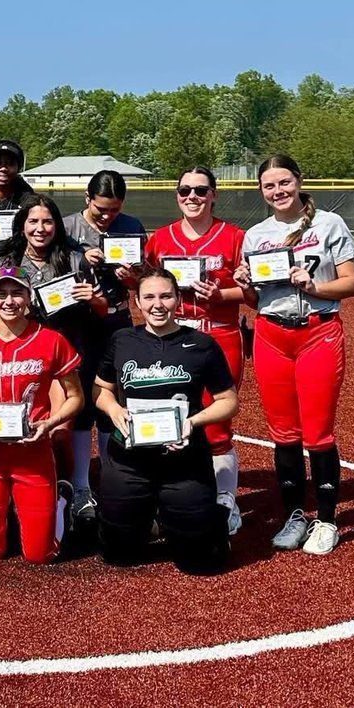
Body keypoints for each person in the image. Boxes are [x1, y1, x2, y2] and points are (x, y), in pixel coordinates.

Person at [234, 155, 354, 556]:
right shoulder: (256, 234)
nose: (278, 191)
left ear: (298, 181)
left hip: (317, 332)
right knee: (283, 433)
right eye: (270, 186)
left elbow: (352, 284)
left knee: (318, 432)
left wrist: (313, 286)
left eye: (284, 182)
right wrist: (244, 283)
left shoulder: (329, 224)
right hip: (272, 335)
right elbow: (256, 300)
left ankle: (325, 519)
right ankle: (294, 514)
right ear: (261, 191)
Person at [94, 267, 238, 574]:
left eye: (165, 296)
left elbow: (229, 401)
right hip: (129, 461)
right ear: (137, 301)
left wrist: (193, 422)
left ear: (177, 299)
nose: (157, 304)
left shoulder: (201, 344)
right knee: (118, 555)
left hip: (184, 462)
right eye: (149, 297)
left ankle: (205, 522)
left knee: (201, 563)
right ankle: (151, 518)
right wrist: (114, 410)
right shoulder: (122, 340)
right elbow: (101, 389)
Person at [143, 166, 248, 535]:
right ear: (177, 195)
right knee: (164, 419)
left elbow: (253, 294)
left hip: (218, 334)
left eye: (201, 191)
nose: (192, 197)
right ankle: (168, 500)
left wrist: (221, 294)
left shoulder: (234, 237)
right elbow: (146, 287)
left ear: (214, 194)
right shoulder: (160, 238)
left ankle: (225, 502)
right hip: (169, 338)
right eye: (185, 190)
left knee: (217, 424)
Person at [0, 267, 83, 563]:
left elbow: (76, 397)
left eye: (17, 293)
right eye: (1, 294)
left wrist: (50, 423)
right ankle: (15, 519)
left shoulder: (51, 340)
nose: (9, 301)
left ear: (29, 297)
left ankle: (59, 502)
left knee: (40, 555)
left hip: (33, 454)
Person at [0, 194, 106, 512]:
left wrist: (93, 297)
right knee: (20, 424)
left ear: (57, 225)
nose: (40, 228)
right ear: (22, 225)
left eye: (47, 221)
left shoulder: (74, 259)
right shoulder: (8, 263)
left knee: (60, 427)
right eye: (33, 221)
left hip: (64, 356)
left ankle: (69, 489)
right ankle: (19, 487)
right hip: (21, 358)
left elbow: (101, 310)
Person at [62, 169, 147, 521]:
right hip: (77, 322)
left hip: (116, 320)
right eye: (100, 210)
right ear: (87, 200)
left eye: (113, 210)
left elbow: (144, 279)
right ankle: (81, 483)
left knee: (114, 400)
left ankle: (113, 477)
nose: (107, 216)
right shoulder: (67, 227)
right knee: (82, 403)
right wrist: (82, 260)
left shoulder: (132, 225)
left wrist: (133, 277)